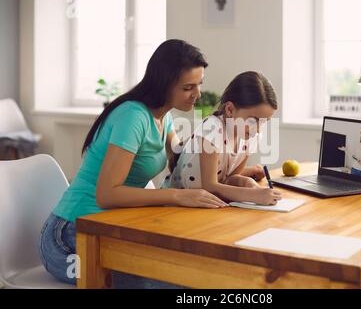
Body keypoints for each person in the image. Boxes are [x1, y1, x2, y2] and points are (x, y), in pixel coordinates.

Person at [39, 39, 229, 288]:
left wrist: (234, 156)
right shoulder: (133, 116)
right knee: (172, 283)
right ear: (164, 84)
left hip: (114, 229)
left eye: (199, 84)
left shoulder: (164, 117)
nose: (197, 94)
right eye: (188, 87)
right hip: (71, 235)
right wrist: (176, 197)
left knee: (193, 271)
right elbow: (107, 195)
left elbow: (185, 159)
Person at [163, 71, 283, 206]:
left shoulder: (251, 137)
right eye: (252, 120)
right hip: (174, 206)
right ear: (230, 110)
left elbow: (228, 178)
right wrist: (253, 195)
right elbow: (210, 187)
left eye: (264, 121)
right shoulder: (212, 129)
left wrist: (250, 184)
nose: (258, 130)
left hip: (206, 207)